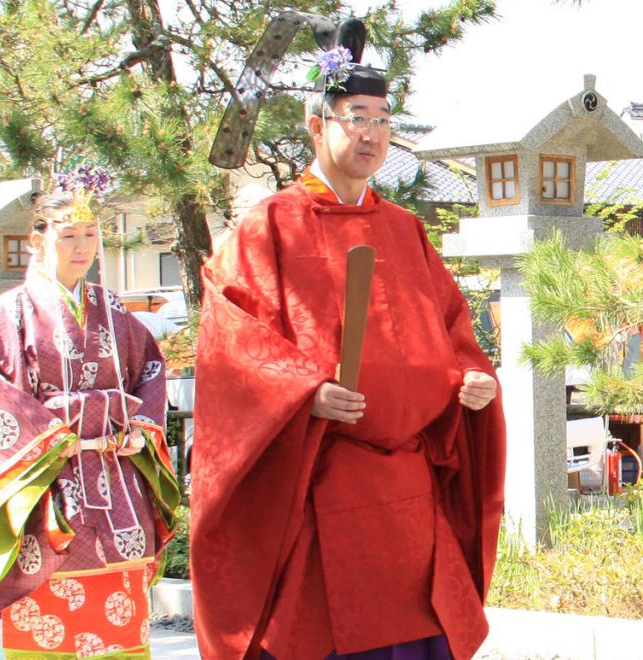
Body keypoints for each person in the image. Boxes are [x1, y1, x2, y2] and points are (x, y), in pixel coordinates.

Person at [190, 22, 507, 660]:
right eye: (355, 116)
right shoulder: (270, 226)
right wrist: (303, 391)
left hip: (413, 496)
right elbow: (232, 341)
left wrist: (471, 378)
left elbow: (452, 327)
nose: (371, 133)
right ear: (317, 125)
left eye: (383, 119)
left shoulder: (404, 228)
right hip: (325, 482)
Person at [0, 170, 180, 659]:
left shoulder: (113, 310)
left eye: (91, 235)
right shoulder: (10, 314)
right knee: (47, 631)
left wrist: (139, 429)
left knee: (123, 635)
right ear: (37, 240)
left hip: (118, 493)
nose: (82, 247)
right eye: (69, 235)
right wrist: (53, 435)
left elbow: (151, 371)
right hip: (49, 498)